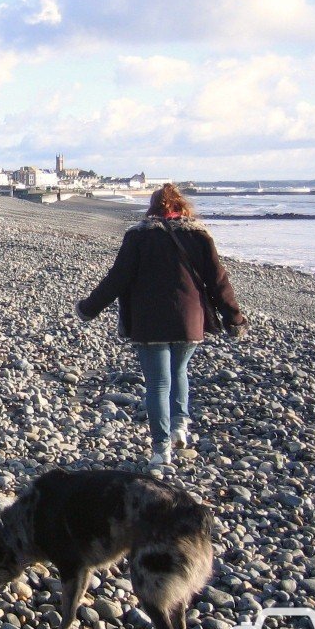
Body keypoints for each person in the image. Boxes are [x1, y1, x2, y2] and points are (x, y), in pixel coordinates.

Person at [75, 183, 247, 465]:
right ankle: (180, 425)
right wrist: (234, 319)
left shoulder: (138, 237)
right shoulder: (200, 236)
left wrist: (87, 309)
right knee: (179, 371)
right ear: (182, 208)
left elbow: (117, 280)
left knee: (157, 384)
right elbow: (218, 281)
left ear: (152, 208)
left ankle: (160, 450)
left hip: (149, 321)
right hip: (189, 320)